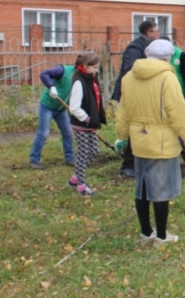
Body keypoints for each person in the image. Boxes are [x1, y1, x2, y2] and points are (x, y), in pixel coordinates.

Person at [114, 40, 185, 248]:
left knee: (142, 188)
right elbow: (178, 113)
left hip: (139, 141)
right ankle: (162, 237)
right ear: (168, 58)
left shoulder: (129, 77)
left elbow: (123, 111)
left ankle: (146, 233)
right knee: (161, 191)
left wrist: (122, 136)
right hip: (162, 143)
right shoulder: (167, 78)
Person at [112, 20, 160, 178]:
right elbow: (129, 71)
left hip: (143, 94)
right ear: (149, 33)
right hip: (130, 94)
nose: (158, 34)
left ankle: (142, 162)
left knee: (143, 128)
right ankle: (127, 166)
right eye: (156, 31)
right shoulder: (135, 47)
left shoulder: (149, 47)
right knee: (133, 128)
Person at [67, 52, 107, 197]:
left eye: (97, 68)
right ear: (84, 66)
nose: (96, 71)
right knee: (84, 153)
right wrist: (87, 118)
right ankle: (81, 185)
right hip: (81, 124)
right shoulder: (79, 82)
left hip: (90, 123)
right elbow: (74, 107)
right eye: (94, 68)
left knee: (94, 150)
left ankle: (75, 178)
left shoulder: (91, 78)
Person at [29, 64, 76, 169]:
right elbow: (44, 74)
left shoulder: (82, 77)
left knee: (68, 133)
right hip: (47, 105)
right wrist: (52, 86)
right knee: (43, 133)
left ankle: (70, 158)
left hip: (61, 109)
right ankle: (34, 160)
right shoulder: (64, 71)